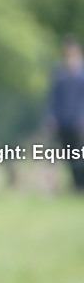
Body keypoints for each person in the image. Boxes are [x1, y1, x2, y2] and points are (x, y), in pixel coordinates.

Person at [46, 35, 84, 191]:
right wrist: (51, 117)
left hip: (78, 121)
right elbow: (53, 98)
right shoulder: (60, 74)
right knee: (69, 154)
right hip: (63, 121)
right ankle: (76, 185)